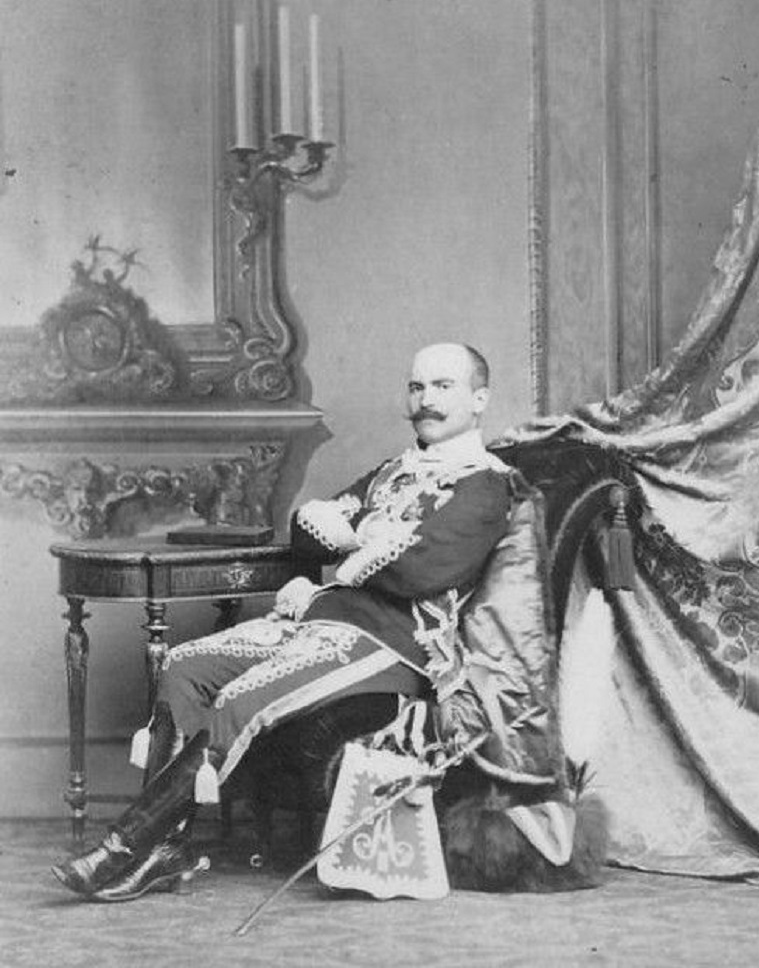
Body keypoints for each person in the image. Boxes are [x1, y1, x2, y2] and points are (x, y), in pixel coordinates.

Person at [52, 342, 512, 901]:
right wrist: (366, 536)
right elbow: (305, 529)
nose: (425, 400)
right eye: (417, 387)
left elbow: (417, 570)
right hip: (324, 616)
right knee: (184, 665)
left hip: (394, 644)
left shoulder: (487, 485)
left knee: (239, 700)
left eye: (443, 386)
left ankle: (124, 846)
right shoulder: (395, 471)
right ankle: (165, 850)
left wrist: (351, 538)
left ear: (480, 399)